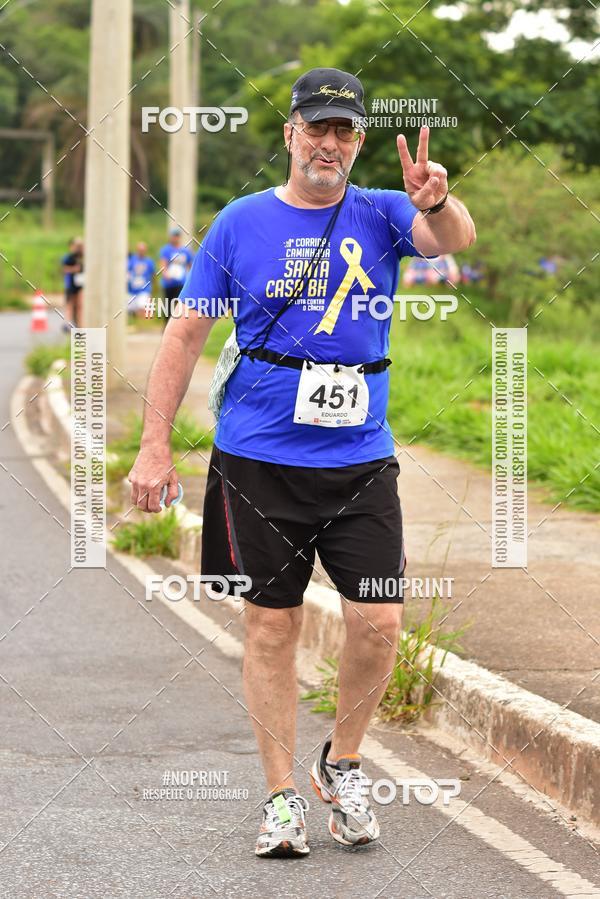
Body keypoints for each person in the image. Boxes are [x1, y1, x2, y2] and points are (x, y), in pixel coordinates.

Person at [128, 67, 476, 858]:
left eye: (344, 131)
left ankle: (342, 764)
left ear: (358, 142)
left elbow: (452, 240)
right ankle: (281, 795)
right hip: (257, 461)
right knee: (271, 627)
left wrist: (436, 201)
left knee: (381, 622)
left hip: (359, 461)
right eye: (317, 128)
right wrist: (155, 445)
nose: (330, 143)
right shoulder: (240, 224)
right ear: (289, 134)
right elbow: (184, 335)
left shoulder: (386, 212)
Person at [158, 227, 193, 322]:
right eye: (174, 236)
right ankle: (166, 325)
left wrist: (190, 278)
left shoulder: (185, 250)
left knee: (179, 305)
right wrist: (165, 274)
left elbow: (190, 265)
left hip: (181, 282)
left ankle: (177, 325)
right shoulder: (166, 250)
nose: (175, 238)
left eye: (177, 236)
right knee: (167, 305)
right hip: (168, 283)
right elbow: (163, 263)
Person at [127, 242, 156, 318]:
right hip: (132, 291)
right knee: (130, 310)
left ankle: (144, 324)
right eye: (140, 250)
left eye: (143, 250)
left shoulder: (149, 262)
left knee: (144, 310)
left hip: (144, 290)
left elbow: (153, 276)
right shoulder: (132, 260)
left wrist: (152, 290)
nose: (141, 252)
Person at [61, 236, 84, 330]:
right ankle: (68, 324)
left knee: (80, 305)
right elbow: (64, 269)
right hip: (71, 284)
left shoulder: (84, 257)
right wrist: (74, 269)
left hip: (81, 285)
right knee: (70, 305)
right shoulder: (68, 257)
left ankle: (80, 324)